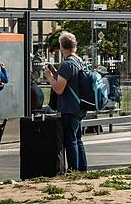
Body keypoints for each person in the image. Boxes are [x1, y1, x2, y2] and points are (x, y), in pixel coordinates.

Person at [44, 31, 88, 171]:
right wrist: (57, 73)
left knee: (71, 140)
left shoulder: (67, 64)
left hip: (69, 107)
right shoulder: (79, 61)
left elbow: (59, 89)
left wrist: (49, 77)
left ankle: (73, 169)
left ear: (62, 47)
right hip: (80, 105)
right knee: (78, 138)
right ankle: (82, 168)